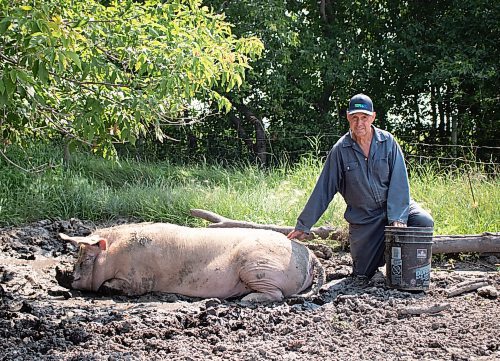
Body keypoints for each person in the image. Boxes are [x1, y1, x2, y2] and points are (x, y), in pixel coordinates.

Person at [287, 93, 434, 280]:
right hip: (365, 219)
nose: (359, 123)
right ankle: (380, 261)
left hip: (395, 208)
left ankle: (407, 271)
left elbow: (400, 181)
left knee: (423, 221)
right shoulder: (340, 150)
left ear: (372, 117)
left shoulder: (387, 142)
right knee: (362, 274)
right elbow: (324, 189)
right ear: (348, 117)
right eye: (355, 118)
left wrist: (398, 216)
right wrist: (304, 224)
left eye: (364, 118)